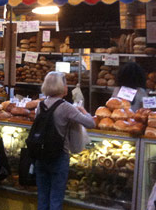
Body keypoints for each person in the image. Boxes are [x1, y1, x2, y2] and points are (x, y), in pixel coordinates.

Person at [34, 72, 95, 210]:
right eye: (65, 83)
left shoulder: (40, 105)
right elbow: (90, 123)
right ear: (62, 87)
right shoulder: (66, 107)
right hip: (58, 156)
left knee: (42, 198)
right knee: (56, 200)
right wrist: (83, 110)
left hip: (40, 155)